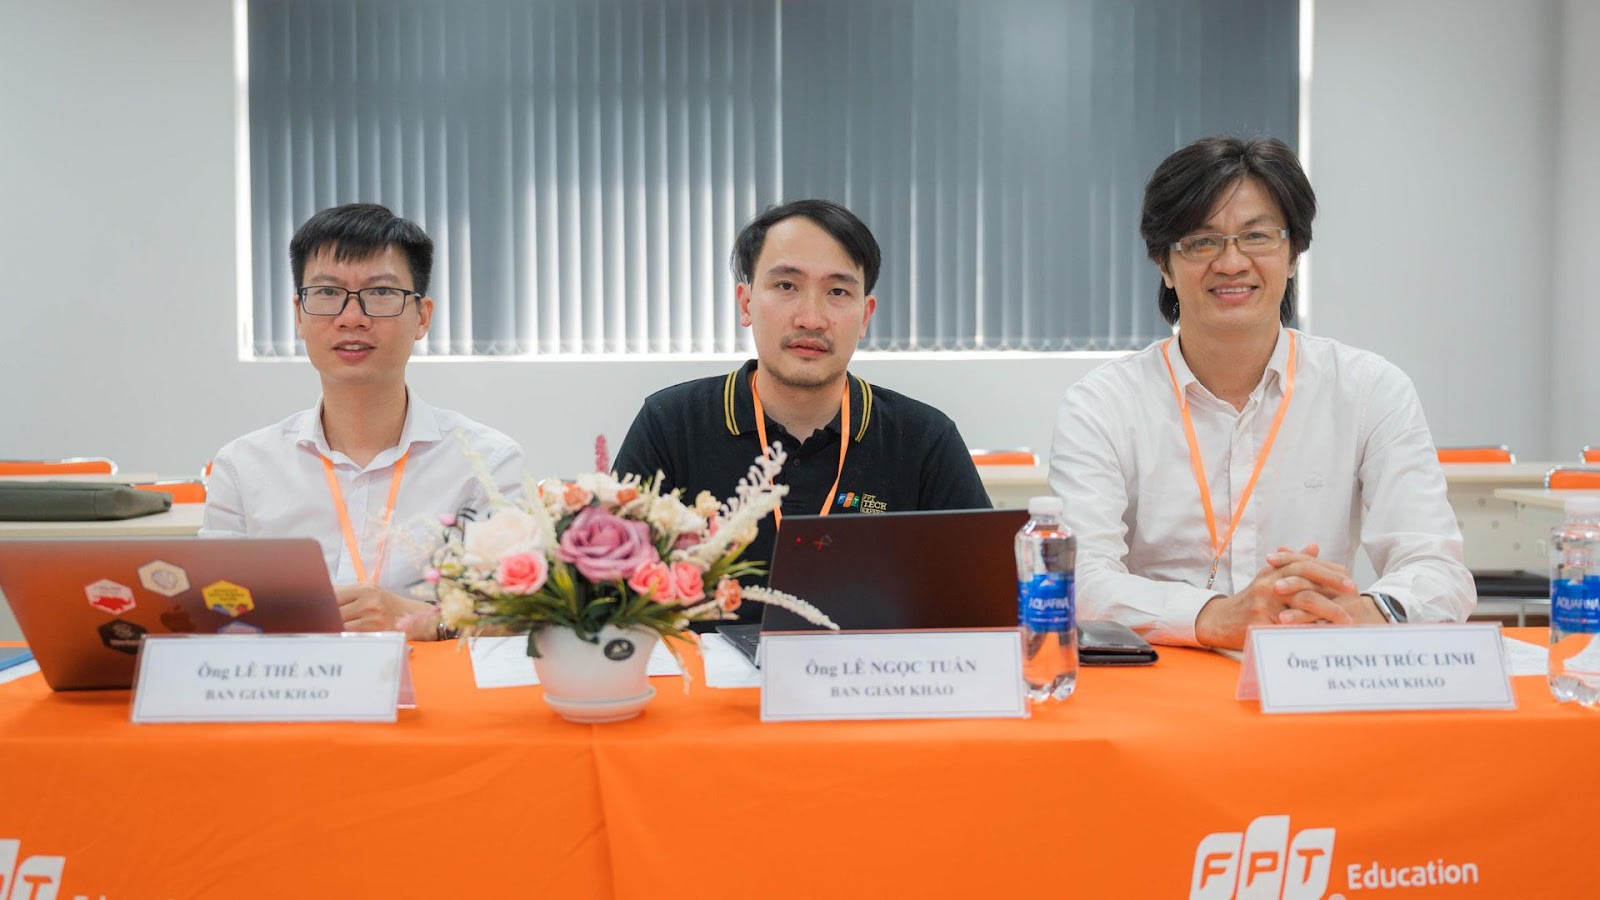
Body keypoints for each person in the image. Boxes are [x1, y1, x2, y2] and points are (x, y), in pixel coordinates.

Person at [1048, 135, 1474, 650]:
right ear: (1164, 264)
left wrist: (1363, 610)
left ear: (1293, 253)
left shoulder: (1369, 390)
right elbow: (1074, 579)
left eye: (1257, 237)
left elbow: (1437, 567)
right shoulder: (1102, 405)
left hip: (1317, 670)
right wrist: (1214, 616)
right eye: (1202, 241)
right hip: (1165, 681)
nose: (1231, 263)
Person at [613, 199, 990, 614]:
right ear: (746, 303)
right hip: (709, 677)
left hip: (868, 674)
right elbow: (610, 593)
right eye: (786, 286)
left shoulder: (923, 439)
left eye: (838, 291)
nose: (811, 318)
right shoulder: (670, 424)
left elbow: (980, 597)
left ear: (865, 316)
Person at [202, 203, 524, 640]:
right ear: (299, 314)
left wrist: (428, 620)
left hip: (435, 698)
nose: (352, 317)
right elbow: (212, 610)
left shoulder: (487, 464)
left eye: (380, 293)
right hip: (288, 694)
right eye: (328, 293)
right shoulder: (243, 467)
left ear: (422, 317)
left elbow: (522, 618)